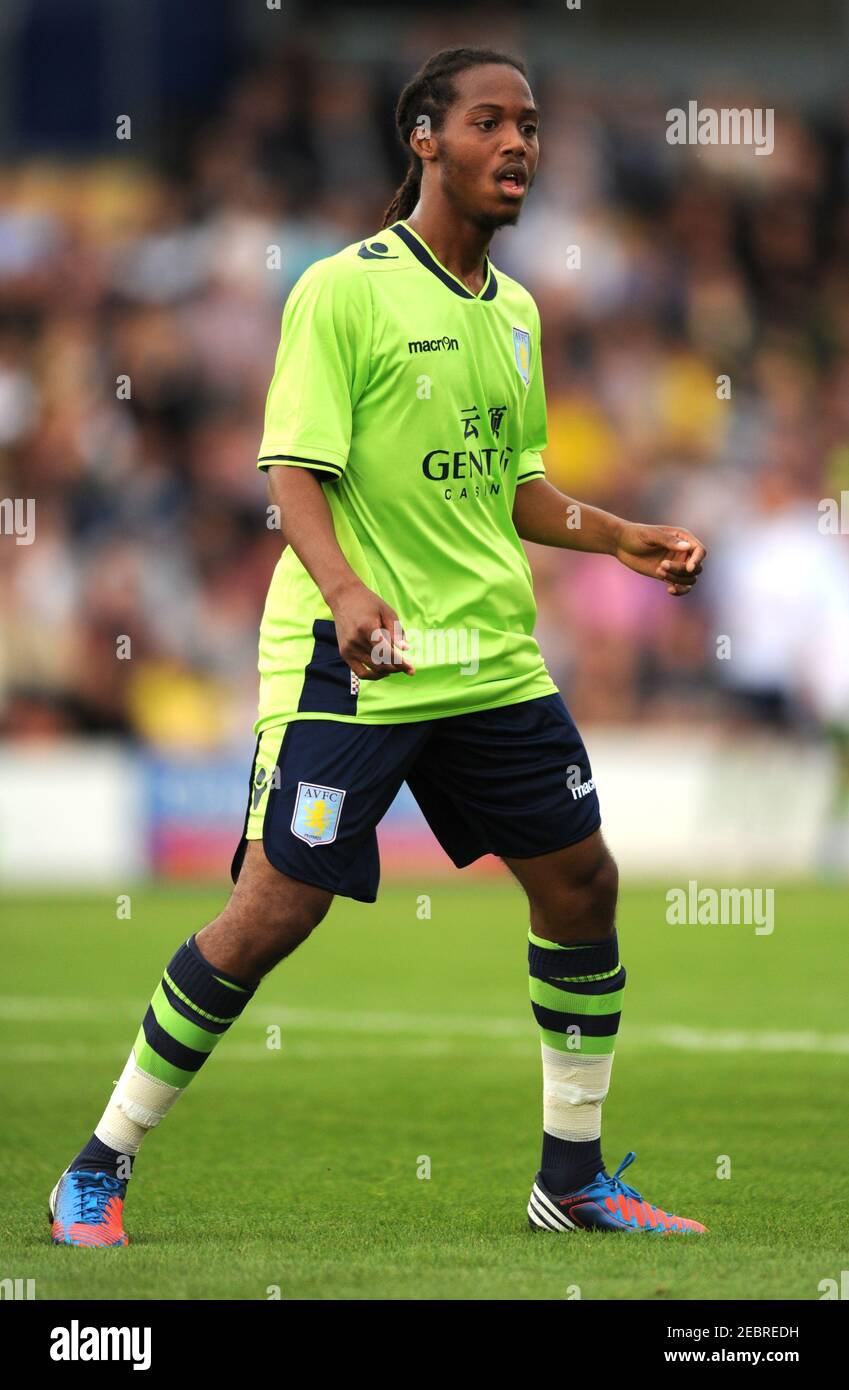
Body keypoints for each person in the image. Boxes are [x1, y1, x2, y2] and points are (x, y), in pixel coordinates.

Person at [50, 45, 708, 1247]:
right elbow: (294, 471)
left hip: (490, 657)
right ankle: (97, 1163)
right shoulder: (341, 290)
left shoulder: (514, 311)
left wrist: (617, 535)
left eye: (532, 126)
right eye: (492, 123)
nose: (520, 145)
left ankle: (569, 1179)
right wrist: (348, 593)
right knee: (270, 916)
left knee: (583, 885)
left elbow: (517, 487)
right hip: (353, 660)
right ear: (425, 139)